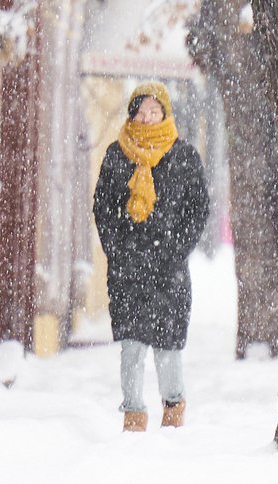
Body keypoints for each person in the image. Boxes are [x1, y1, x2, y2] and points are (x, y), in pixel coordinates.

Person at [92, 82, 210, 432]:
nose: (148, 118)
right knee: (131, 346)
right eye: (142, 112)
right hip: (128, 270)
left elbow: (197, 209)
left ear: (165, 114)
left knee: (168, 345)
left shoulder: (184, 157)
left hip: (168, 269)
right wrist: (118, 252)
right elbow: (103, 209)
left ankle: (173, 409)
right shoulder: (117, 155)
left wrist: (175, 251)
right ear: (132, 115)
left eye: (154, 112)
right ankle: (133, 415)